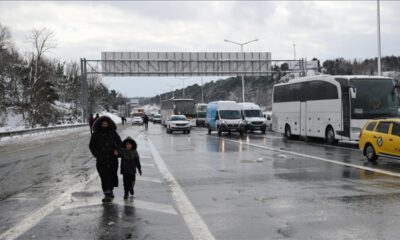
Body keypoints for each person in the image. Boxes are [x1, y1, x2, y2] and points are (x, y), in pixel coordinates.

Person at [89, 116, 122, 203]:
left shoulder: (113, 133)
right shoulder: (95, 134)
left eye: (106, 124)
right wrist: (97, 155)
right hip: (101, 160)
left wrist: (117, 151)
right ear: (100, 124)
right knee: (104, 177)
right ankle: (107, 193)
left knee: (111, 176)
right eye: (103, 124)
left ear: (109, 124)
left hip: (113, 159)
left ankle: (110, 191)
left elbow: (119, 143)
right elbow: (91, 146)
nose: (105, 125)